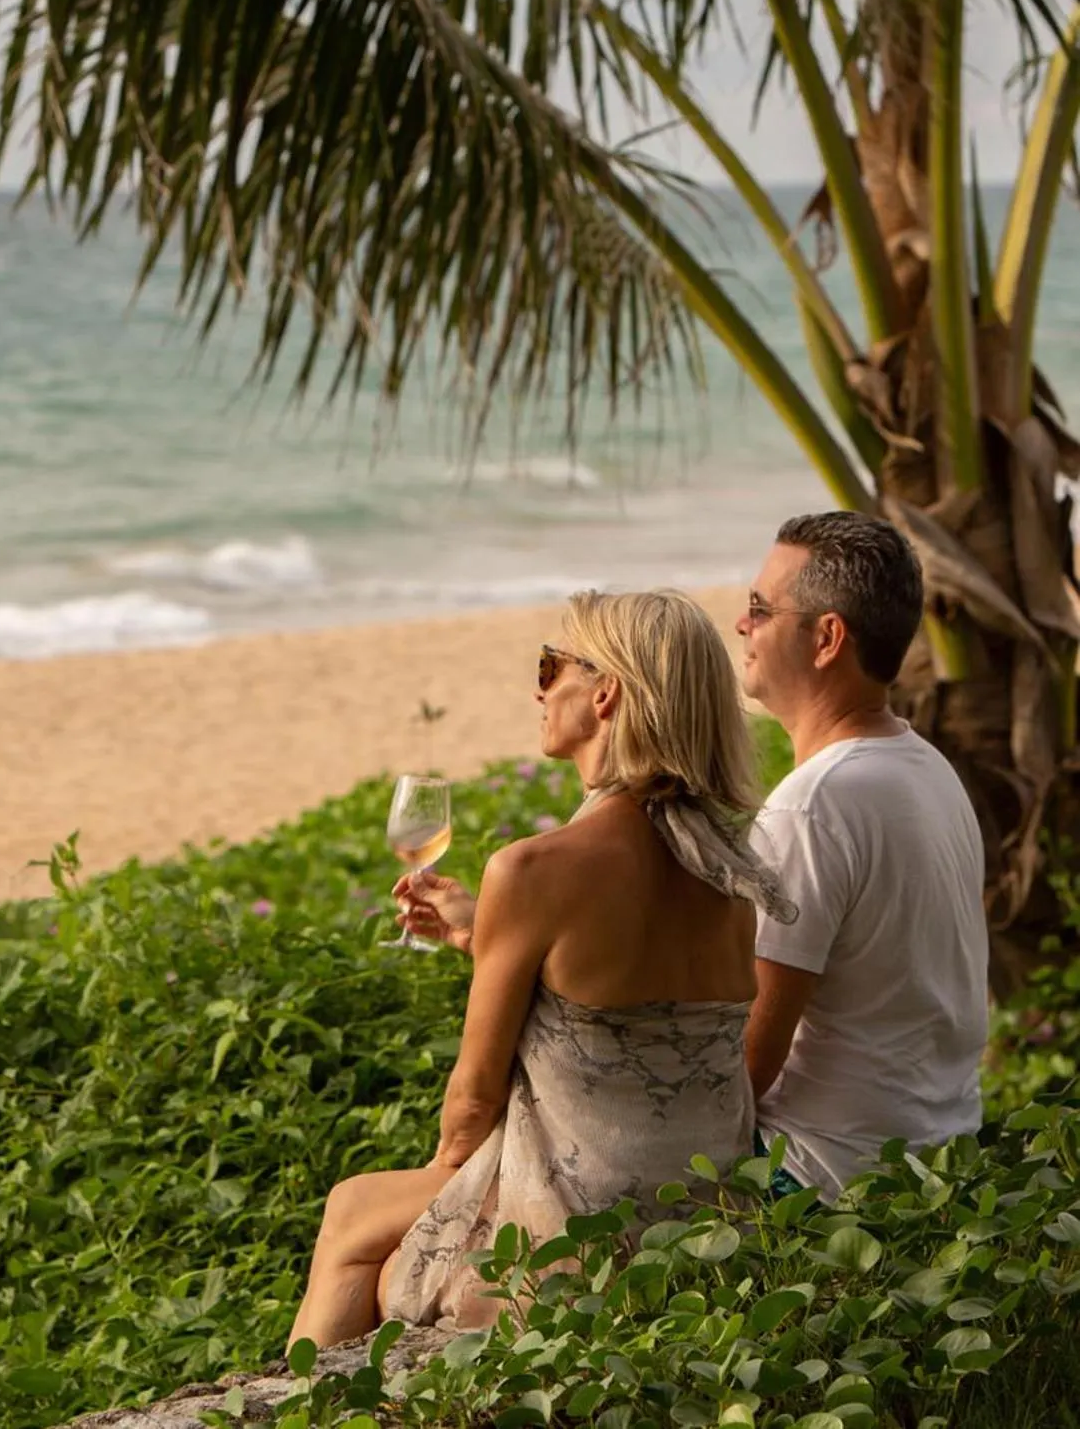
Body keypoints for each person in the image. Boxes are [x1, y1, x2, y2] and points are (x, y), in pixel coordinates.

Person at [288, 590, 794, 1347]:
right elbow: (619, 1004)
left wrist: (446, 1192)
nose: (537, 685)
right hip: (706, 1226)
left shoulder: (533, 869)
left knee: (353, 1210)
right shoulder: (730, 876)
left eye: (548, 664)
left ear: (604, 692)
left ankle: (298, 1401)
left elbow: (471, 1102)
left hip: (578, 1237)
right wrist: (479, 937)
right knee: (372, 1211)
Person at [737, 512, 987, 1202]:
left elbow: (748, 1064)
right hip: (936, 1156)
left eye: (758, 608)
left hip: (820, 1177)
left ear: (825, 638)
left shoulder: (809, 807)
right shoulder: (926, 768)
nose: (740, 625)